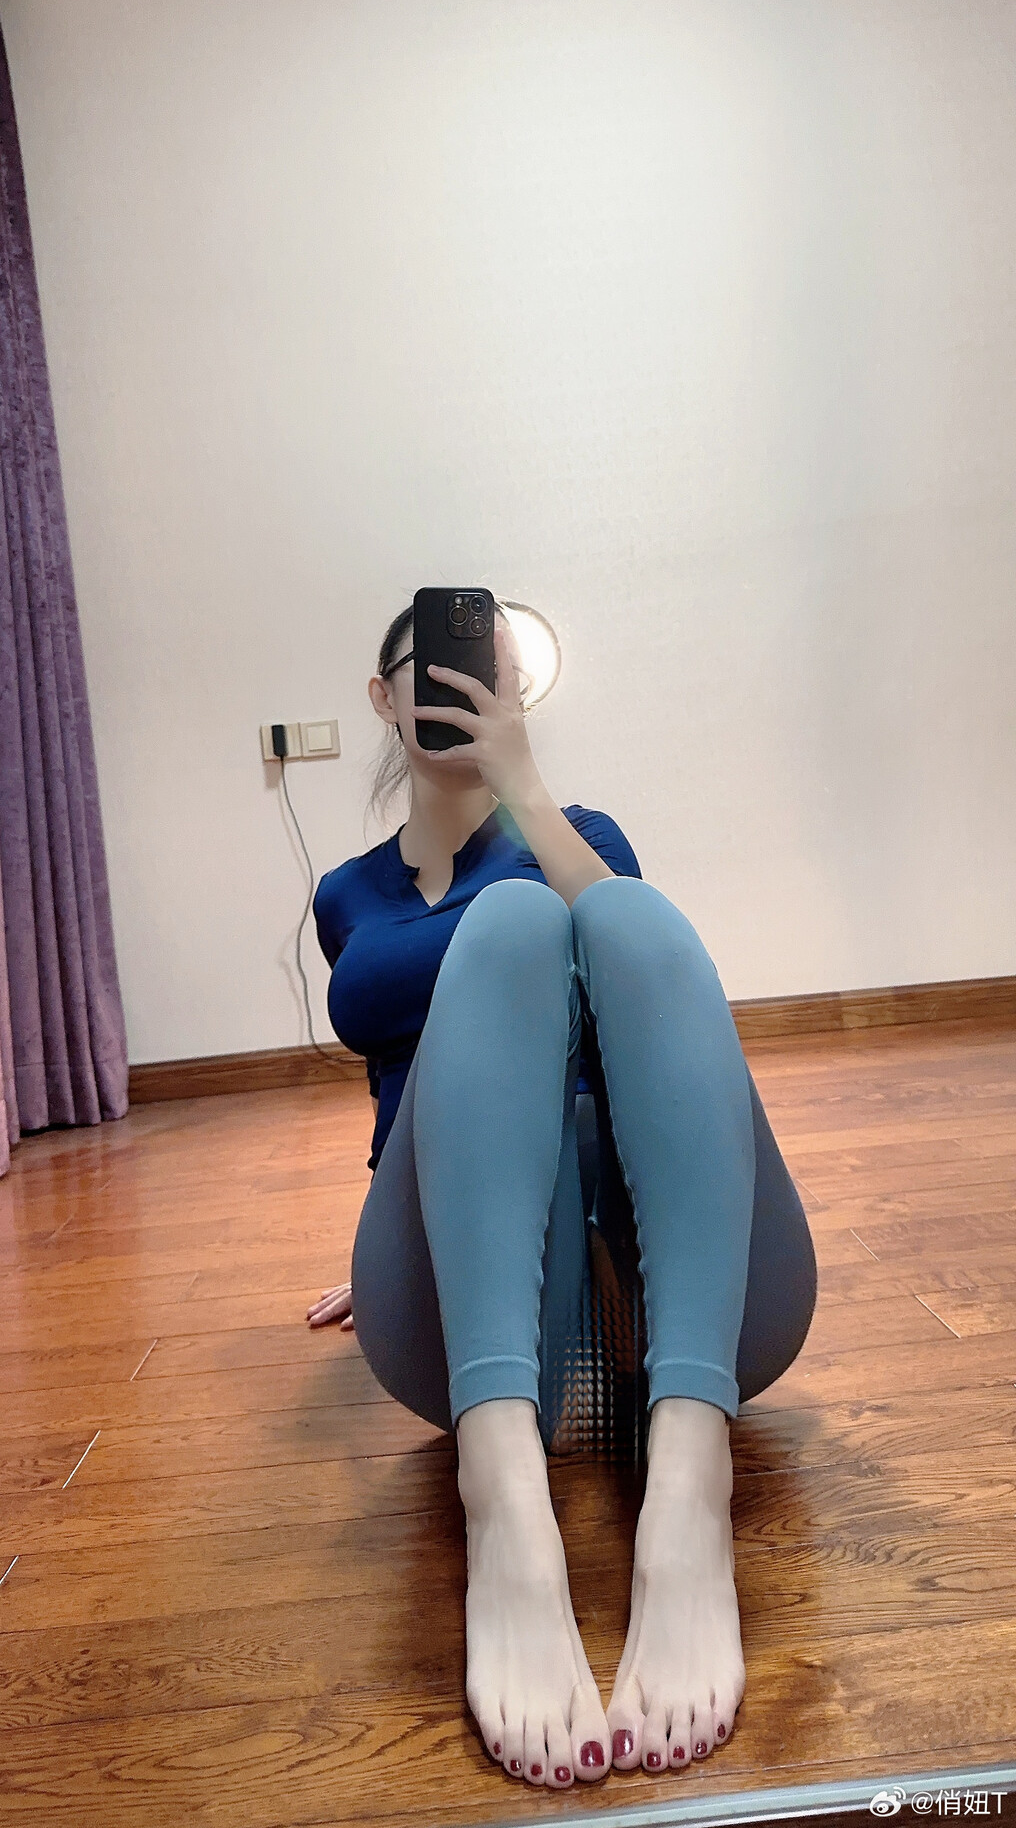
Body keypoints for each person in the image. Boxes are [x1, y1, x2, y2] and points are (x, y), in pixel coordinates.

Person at [306, 600, 817, 1791]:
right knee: (514, 921)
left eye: (492, 671)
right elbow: (390, 1054)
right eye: (436, 669)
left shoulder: (579, 831)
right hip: (474, 1304)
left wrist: (524, 788)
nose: (464, 687)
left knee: (612, 912)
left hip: (679, 1285)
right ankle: (503, 1501)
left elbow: (637, 957)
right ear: (384, 697)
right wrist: (400, 1245)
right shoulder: (349, 893)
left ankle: (690, 1480)